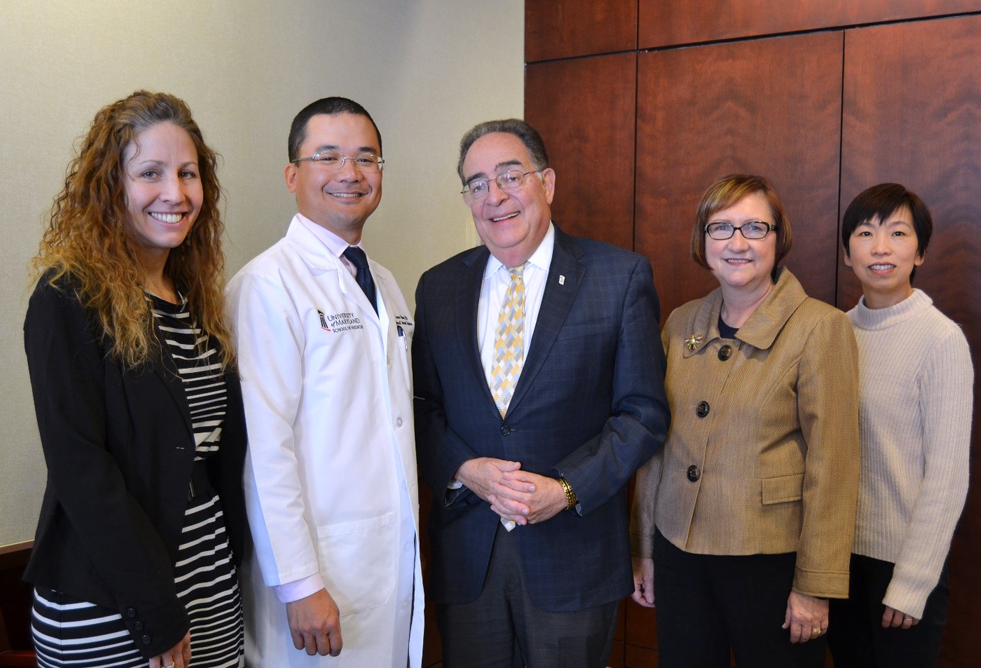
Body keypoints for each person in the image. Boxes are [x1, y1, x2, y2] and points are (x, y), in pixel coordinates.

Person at [413, 118, 670, 667]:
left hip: (571, 556)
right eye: (477, 184)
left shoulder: (617, 277)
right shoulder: (439, 287)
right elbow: (423, 408)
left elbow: (642, 414)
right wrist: (465, 470)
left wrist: (567, 488)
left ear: (546, 184)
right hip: (469, 556)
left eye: (511, 176)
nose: (495, 196)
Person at [23, 91, 247, 668]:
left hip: (208, 586)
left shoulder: (194, 300)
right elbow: (82, 471)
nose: (175, 193)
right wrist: (156, 613)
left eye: (187, 173)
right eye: (150, 173)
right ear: (110, 186)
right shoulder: (68, 297)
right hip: (114, 602)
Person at [630, 174, 861, 668]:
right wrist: (644, 548)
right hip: (680, 553)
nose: (737, 243)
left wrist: (815, 586)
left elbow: (834, 467)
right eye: (721, 228)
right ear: (703, 240)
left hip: (771, 563)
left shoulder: (821, 327)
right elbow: (657, 446)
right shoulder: (680, 322)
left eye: (755, 227)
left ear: (778, 238)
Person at [227, 97, 422, 667]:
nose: (350, 173)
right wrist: (298, 582)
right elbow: (265, 450)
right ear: (293, 175)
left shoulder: (383, 283)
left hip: (386, 559)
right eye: (328, 156)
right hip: (318, 576)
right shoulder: (268, 285)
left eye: (367, 158)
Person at [827, 183, 973, 667]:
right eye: (866, 233)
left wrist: (912, 583)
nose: (881, 247)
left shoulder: (940, 339)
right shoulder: (834, 333)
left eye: (898, 233)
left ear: (921, 252)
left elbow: (948, 477)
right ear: (848, 253)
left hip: (902, 565)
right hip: (835, 559)